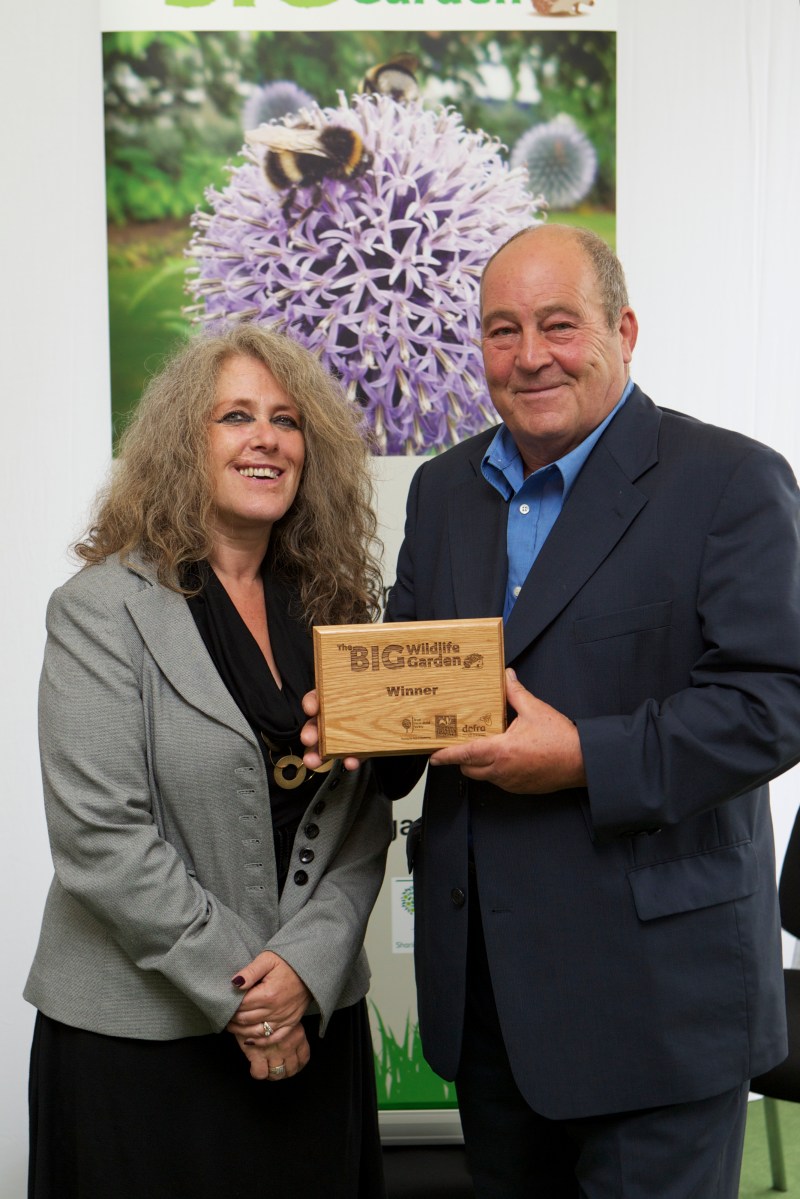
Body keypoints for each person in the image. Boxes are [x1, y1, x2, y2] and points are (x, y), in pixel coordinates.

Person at [303, 224, 800, 1197]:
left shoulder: (730, 481)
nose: (528, 354)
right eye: (500, 330)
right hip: (486, 999)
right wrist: (357, 728)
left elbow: (772, 698)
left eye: (557, 324)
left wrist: (581, 754)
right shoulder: (445, 491)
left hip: (655, 1008)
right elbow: (422, 678)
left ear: (621, 329)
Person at [25, 325, 391, 1199]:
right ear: (184, 442)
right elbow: (101, 841)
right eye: (236, 416)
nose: (266, 437)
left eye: (287, 419)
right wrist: (251, 997)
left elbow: (365, 816)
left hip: (316, 1021)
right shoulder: (98, 610)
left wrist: (303, 970)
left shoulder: (339, 612)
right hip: (144, 1049)